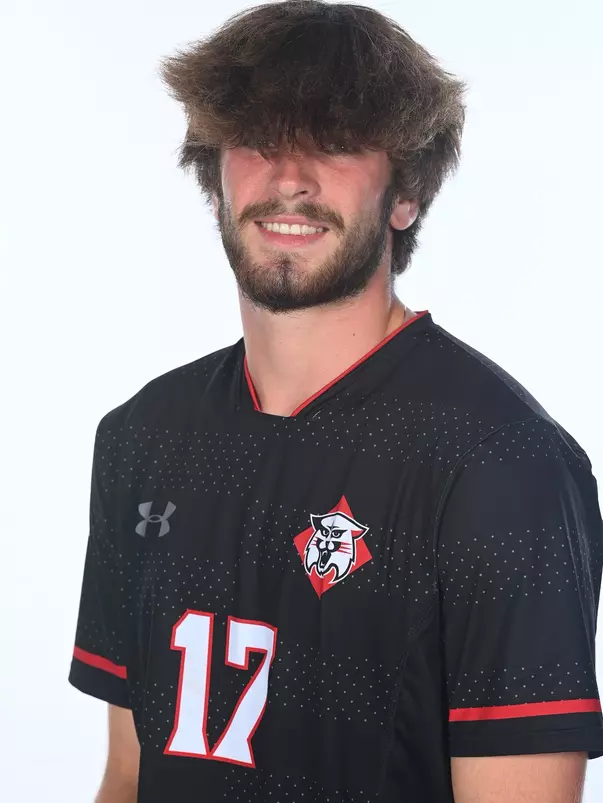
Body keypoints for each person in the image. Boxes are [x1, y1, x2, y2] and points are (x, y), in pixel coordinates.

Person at [68, 2, 603, 801]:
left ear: (405, 194)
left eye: (336, 144)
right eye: (258, 141)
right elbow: (128, 772)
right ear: (213, 177)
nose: (289, 180)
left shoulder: (503, 465)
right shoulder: (143, 434)